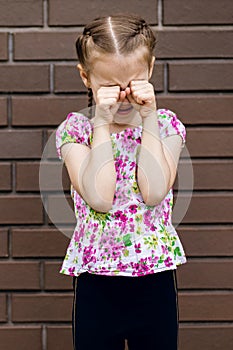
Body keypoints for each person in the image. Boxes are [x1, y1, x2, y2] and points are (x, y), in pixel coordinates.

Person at [56, 13, 187, 350]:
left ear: (151, 70)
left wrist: (149, 119)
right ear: (86, 77)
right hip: (97, 282)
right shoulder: (77, 131)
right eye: (110, 87)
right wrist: (100, 121)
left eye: (133, 82)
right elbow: (100, 197)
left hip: (154, 278)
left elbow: (155, 191)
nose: (124, 97)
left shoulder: (167, 126)